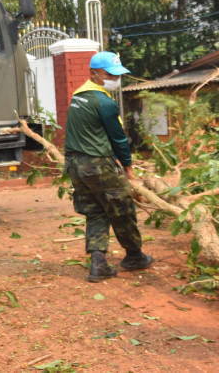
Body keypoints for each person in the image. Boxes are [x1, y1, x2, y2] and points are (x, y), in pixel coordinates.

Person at [64, 51, 154, 282]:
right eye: (109, 74)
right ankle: (134, 256)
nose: (115, 78)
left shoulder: (78, 96)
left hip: (75, 164)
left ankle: (99, 264)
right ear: (93, 73)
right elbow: (118, 138)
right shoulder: (104, 102)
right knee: (122, 209)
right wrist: (127, 166)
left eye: (118, 74)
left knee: (96, 212)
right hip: (98, 165)